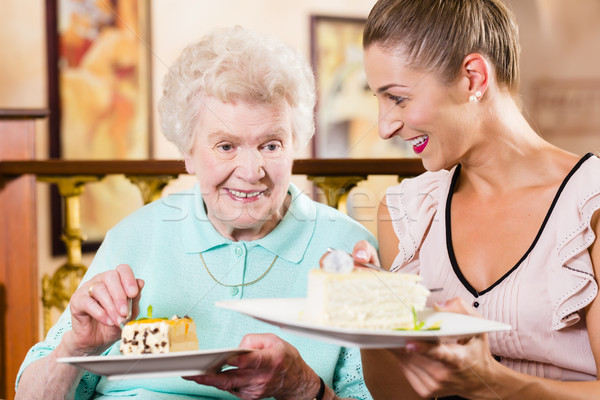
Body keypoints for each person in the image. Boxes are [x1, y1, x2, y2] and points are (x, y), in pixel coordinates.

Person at [16, 26, 377, 400]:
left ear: (294, 146)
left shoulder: (347, 250)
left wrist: (306, 390)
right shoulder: (134, 236)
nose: (252, 171)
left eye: (271, 145)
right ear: (188, 152)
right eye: (226, 146)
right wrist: (75, 348)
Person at [350, 0, 600, 399]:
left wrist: (494, 384)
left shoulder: (590, 205)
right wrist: (371, 316)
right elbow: (398, 395)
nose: (384, 127)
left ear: (473, 78)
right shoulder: (408, 214)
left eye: (397, 98)